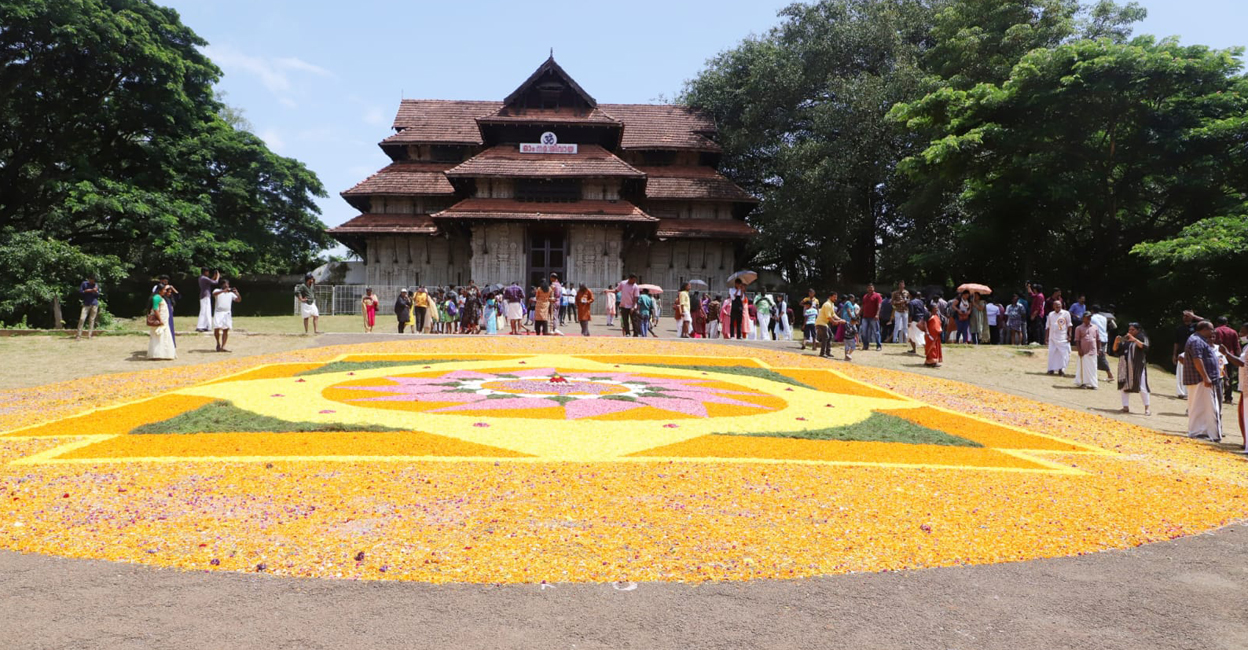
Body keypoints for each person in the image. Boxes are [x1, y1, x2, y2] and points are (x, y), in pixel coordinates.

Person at [1183, 321, 1223, 442]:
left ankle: (1198, 431)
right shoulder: (1197, 341)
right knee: (1211, 407)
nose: (1213, 332)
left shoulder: (1197, 339)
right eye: (1211, 329)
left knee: (1198, 406)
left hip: (1198, 379)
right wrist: (1205, 376)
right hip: (1201, 379)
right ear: (1204, 329)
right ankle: (1213, 434)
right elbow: (1197, 359)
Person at [1219, 322, 1248, 454]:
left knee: (1245, 415)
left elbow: (1241, 362)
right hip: (1244, 386)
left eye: (1242, 332)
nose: (1240, 335)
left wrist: (1226, 353)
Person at [1115, 323, 1152, 416]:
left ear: (1138, 330)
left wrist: (1134, 340)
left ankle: (1147, 408)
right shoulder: (1126, 339)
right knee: (1124, 385)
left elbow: (1146, 347)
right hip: (1125, 366)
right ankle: (1125, 406)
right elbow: (1116, 350)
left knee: (1142, 387)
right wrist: (1116, 342)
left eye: (1133, 330)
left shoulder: (1142, 337)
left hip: (1138, 366)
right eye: (1129, 329)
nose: (1130, 331)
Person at [1173, 310, 1202, 398]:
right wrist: (1174, 354)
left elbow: (1207, 322)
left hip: (1193, 353)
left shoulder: (1196, 326)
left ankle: (1189, 392)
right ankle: (1181, 392)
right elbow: (1176, 342)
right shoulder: (1179, 328)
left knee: (1190, 373)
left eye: (1187, 316)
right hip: (1181, 353)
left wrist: (1194, 316)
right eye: (1184, 316)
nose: (1185, 317)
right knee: (1180, 373)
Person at [1214, 316, 1241, 403]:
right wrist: (1239, 358)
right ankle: (1228, 397)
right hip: (1230, 356)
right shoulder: (1233, 332)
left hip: (1218, 355)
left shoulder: (1216, 330)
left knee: (1217, 375)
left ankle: (1217, 395)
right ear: (1226, 323)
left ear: (1217, 323)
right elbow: (1237, 346)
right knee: (1229, 376)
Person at [147, 286, 176, 360]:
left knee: (164, 336)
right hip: (161, 320)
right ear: (159, 290)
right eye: (164, 290)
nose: (165, 291)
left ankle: (165, 353)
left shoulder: (160, 297)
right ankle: (157, 354)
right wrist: (160, 319)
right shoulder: (156, 297)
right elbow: (155, 309)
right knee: (159, 336)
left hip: (164, 320)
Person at [212, 280, 241, 352]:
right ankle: (218, 343)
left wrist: (237, 293)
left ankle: (223, 346)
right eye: (225, 285)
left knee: (226, 330)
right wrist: (223, 291)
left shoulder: (230, 294)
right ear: (221, 285)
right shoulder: (217, 290)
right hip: (219, 312)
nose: (227, 286)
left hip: (227, 313)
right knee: (217, 328)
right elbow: (214, 294)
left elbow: (238, 300)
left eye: (227, 285)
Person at [1045, 300, 1072, 376]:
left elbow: (1069, 325)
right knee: (1052, 353)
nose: (1058, 307)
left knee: (1063, 354)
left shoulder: (1066, 313)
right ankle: (1051, 369)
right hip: (1052, 338)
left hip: (1062, 338)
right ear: (1053, 306)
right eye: (1056, 306)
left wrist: (1069, 336)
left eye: (1059, 305)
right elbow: (1047, 327)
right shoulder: (1051, 314)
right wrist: (1046, 338)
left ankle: (1062, 370)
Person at [151, 275, 179, 346]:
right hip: (161, 306)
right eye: (164, 280)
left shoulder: (168, 287)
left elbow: (177, 296)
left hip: (168, 306)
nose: (165, 282)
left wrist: (172, 289)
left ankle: (171, 343)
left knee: (170, 325)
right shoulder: (157, 288)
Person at [1073, 313, 1099, 389]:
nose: (1089, 319)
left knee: (1093, 368)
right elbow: (1077, 340)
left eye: (1090, 317)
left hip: (1093, 351)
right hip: (1083, 351)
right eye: (1087, 317)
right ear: (1083, 318)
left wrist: (1099, 349)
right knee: (1083, 368)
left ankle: (1093, 384)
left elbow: (1098, 339)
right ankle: (1084, 383)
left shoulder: (1095, 327)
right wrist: (1079, 350)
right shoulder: (1079, 328)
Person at [1089, 305, 1114, 382]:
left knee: (1100, 356)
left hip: (1097, 338)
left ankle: (1110, 375)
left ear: (1092, 311)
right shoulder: (1104, 318)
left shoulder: (1092, 318)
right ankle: (1091, 373)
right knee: (1096, 356)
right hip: (1104, 338)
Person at [816, 291, 845, 359]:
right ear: (830, 297)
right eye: (834, 297)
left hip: (824, 323)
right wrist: (834, 321)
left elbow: (833, 315)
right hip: (820, 323)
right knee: (826, 336)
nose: (835, 298)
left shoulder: (831, 304)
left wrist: (840, 319)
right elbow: (828, 317)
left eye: (836, 297)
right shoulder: (827, 304)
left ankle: (827, 352)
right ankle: (822, 353)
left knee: (830, 336)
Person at [857, 283, 882, 351]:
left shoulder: (877, 296)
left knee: (876, 332)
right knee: (864, 331)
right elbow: (863, 306)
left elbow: (879, 306)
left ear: (873, 288)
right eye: (869, 288)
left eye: (871, 288)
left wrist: (877, 314)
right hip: (865, 317)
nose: (870, 289)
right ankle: (865, 345)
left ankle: (879, 345)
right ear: (867, 289)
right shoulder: (865, 296)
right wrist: (859, 313)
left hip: (874, 317)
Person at [76, 276, 100, 340]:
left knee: (92, 320)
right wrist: (88, 291)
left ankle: (90, 335)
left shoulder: (96, 285)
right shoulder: (84, 284)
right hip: (86, 304)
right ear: (89, 279)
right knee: (82, 319)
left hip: (94, 304)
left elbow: (98, 295)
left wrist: (95, 291)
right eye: (92, 280)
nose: (93, 281)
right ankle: (78, 335)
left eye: (94, 280)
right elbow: (80, 292)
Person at [196, 268, 220, 332]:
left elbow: (209, 282)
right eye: (207, 272)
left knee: (205, 311)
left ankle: (205, 325)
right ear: (205, 272)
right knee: (205, 311)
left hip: (204, 296)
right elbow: (215, 282)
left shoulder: (201, 278)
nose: (208, 273)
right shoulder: (204, 278)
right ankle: (201, 326)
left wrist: (214, 277)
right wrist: (218, 277)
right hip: (205, 296)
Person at [924, 301, 943, 367]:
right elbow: (925, 323)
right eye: (935, 308)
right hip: (930, 334)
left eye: (937, 308)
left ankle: (929, 362)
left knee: (936, 347)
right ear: (932, 308)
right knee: (932, 347)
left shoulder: (936, 315)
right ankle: (933, 362)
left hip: (936, 334)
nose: (937, 309)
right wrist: (927, 332)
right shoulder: (928, 314)